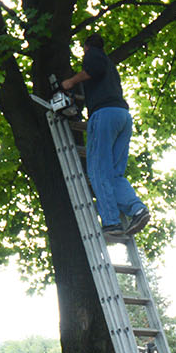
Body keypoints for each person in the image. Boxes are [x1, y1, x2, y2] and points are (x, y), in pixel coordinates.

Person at [61, 33, 151, 238]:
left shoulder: (93, 55)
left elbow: (92, 70)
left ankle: (112, 223)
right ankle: (137, 210)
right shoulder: (111, 67)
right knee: (114, 174)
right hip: (122, 116)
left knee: (99, 172)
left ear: (86, 47)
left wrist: (70, 82)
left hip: (104, 115)